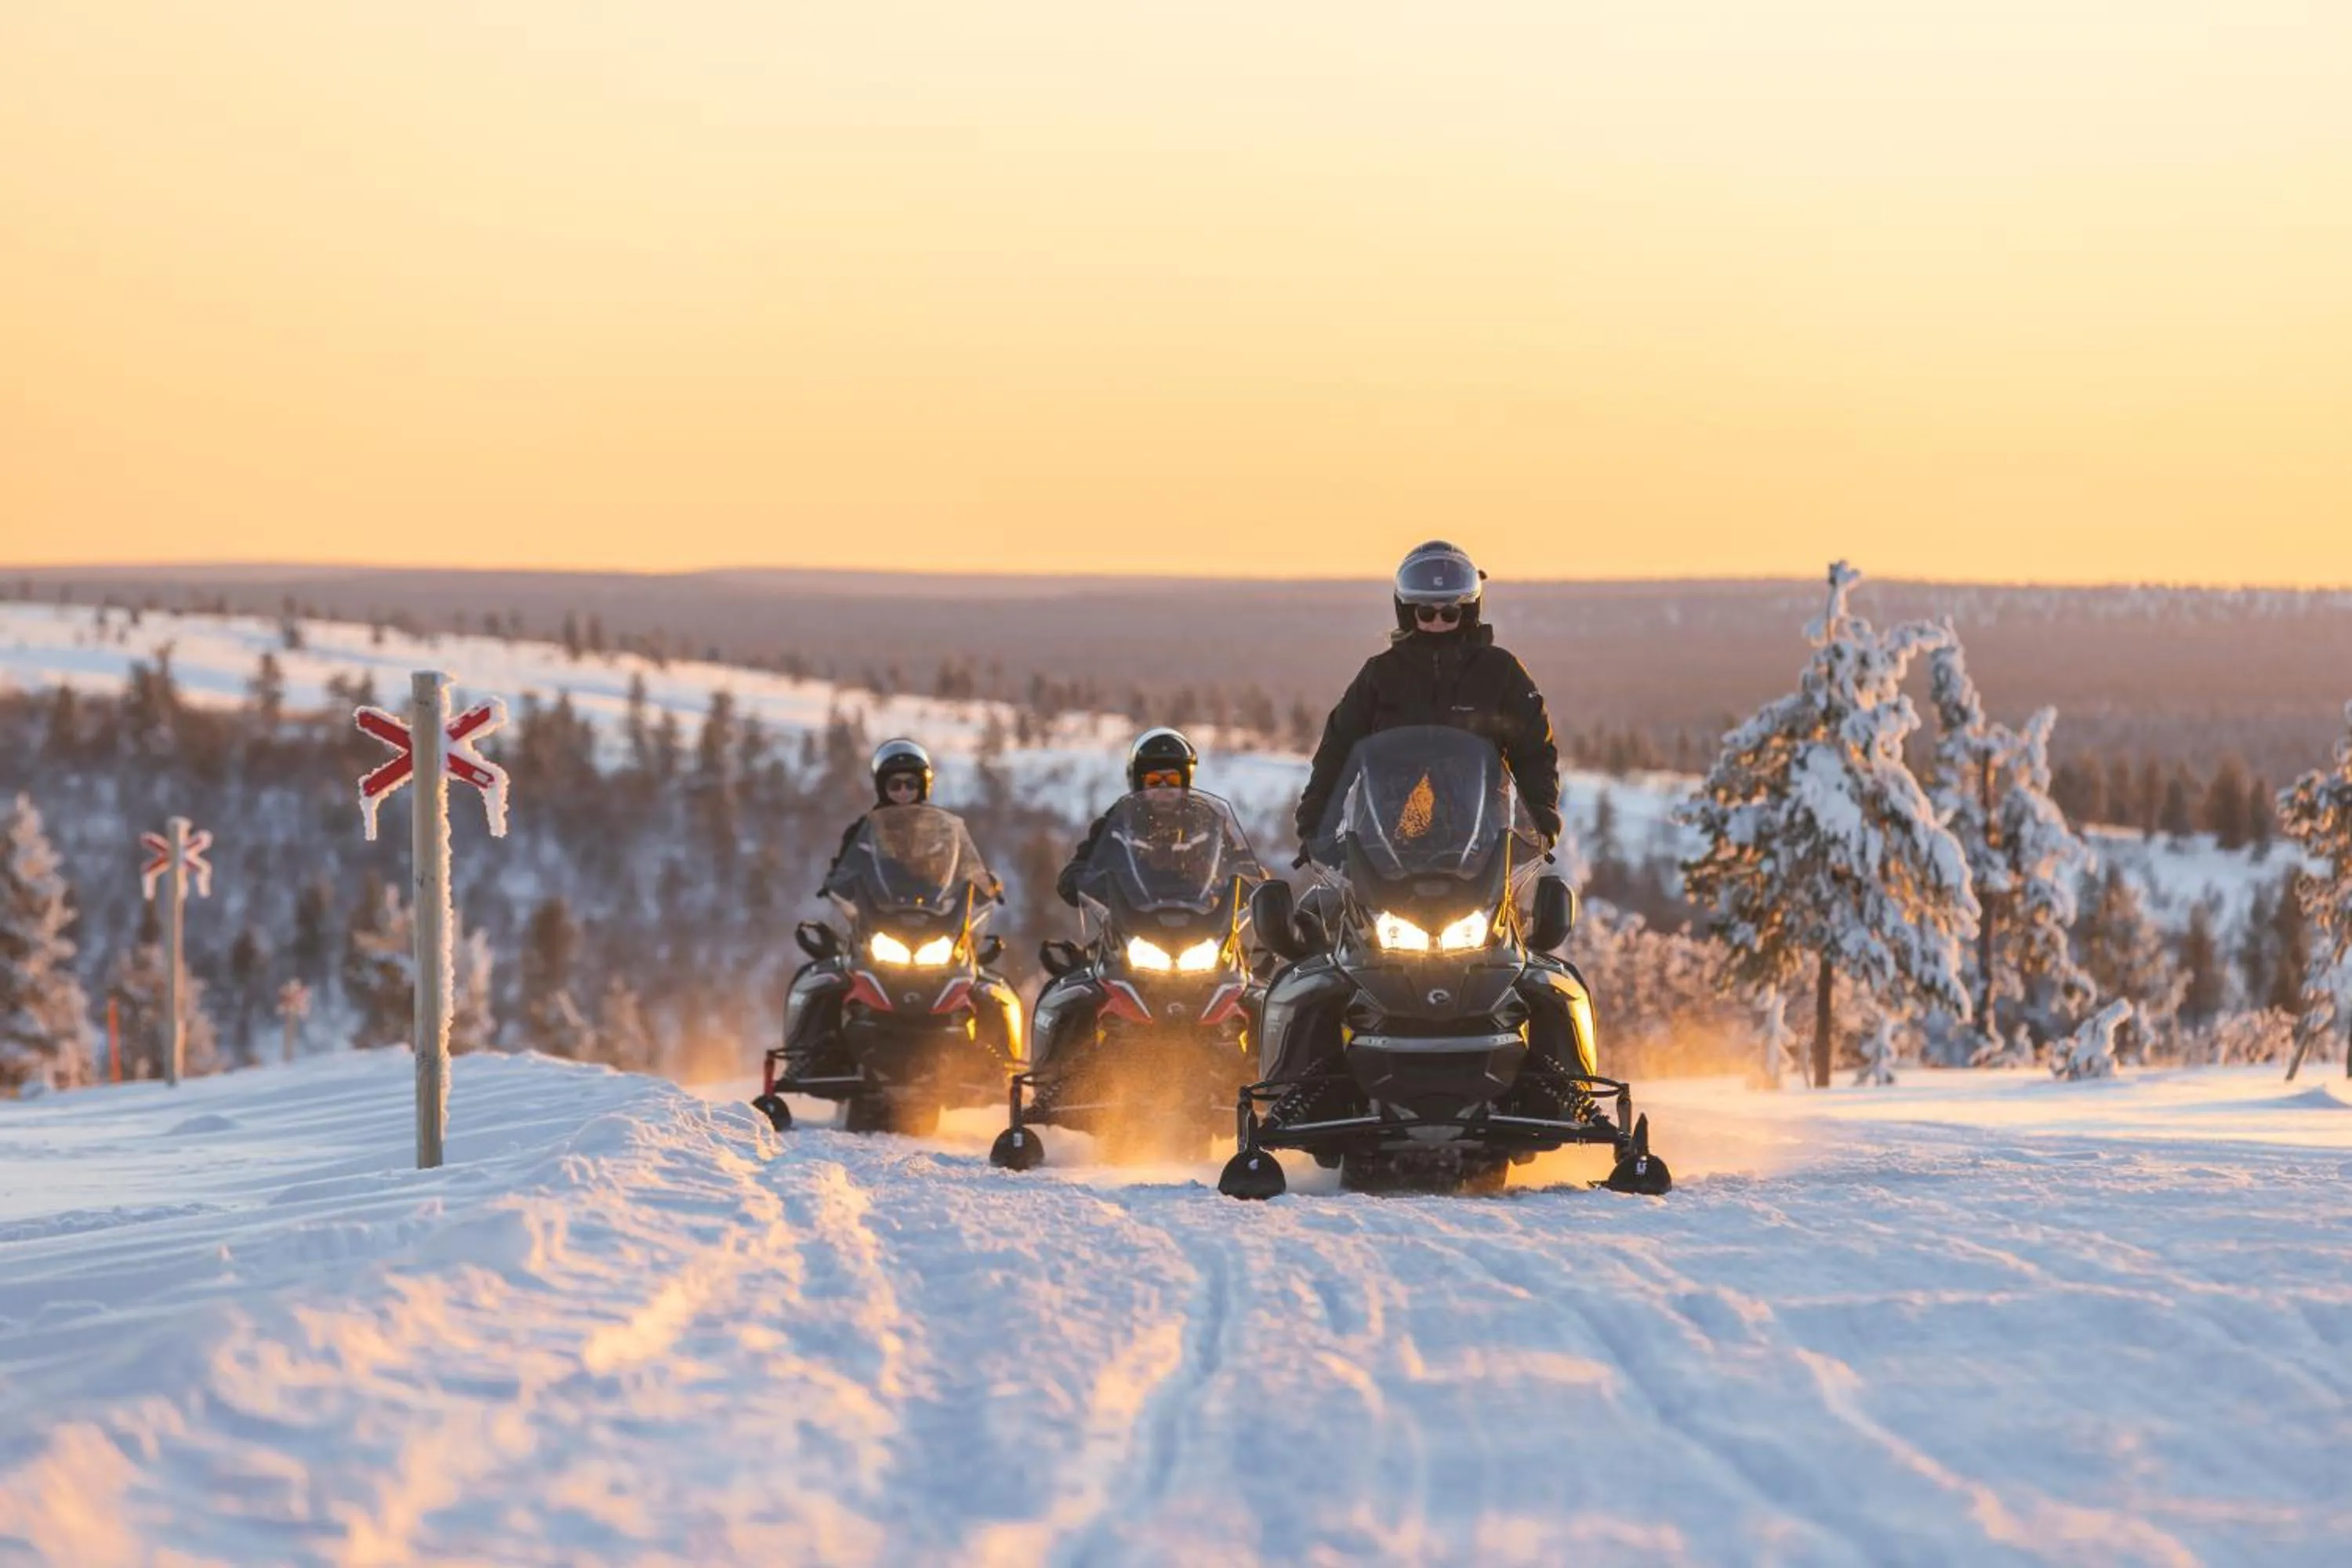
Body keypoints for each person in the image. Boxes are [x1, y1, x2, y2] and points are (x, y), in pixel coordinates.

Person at [1294, 540, 1563, 853]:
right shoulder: (1380, 675)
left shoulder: (1501, 673)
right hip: (1382, 852)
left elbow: (1534, 752)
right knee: (1321, 901)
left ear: (1468, 611)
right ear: (1408, 614)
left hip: (1481, 852)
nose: (1438, 623)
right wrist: (1316, 827)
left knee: (1543, 899)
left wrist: (1540, 823)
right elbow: (1337, 751)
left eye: (1449, 613)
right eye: (1426, 612)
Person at [1030, 728, 1261, 1083]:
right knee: (1073, 992)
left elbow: (1242, 864)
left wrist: (1254, 882)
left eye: (1173, 778)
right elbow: (1082, 863)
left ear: (1187, 781)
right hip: (1130, 930)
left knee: (1260, 994)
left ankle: (1264, 1079)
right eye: (1155, 779)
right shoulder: (1117, 822)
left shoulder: (1209, 822)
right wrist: (1079, 880)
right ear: (1140, 782)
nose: (1165, 788)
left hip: (1204, 931)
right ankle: (1057, 1082)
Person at [783, 738, 1009, 1078]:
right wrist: (836, 881)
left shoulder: (941, 832)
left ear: (924, 785)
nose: (903, 791)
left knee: (989, 987)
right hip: (878, 925)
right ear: (882, 786)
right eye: (895, 784)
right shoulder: (863, 831)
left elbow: (965, 866)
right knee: (826, 981)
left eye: (910, 783)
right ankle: (809, 1057)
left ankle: (997, 1064)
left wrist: (985, 882)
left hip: (936, 925)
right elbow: (845, 869)